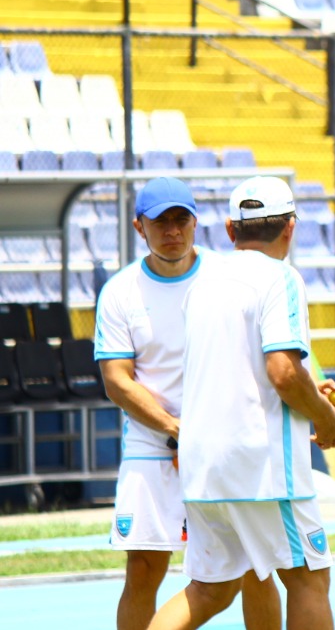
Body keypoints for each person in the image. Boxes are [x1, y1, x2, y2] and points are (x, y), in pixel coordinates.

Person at [147, 176, 335, 630]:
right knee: (309, 579)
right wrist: (326, 416)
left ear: (231, 230)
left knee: (209, 590)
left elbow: (241, 367)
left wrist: (314, 390)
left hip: (202, 462)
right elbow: (280, 371)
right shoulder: (281, 277)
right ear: (291, 228)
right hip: (261, 467)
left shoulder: (202, 283)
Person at [95, 176, 281, 630]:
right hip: (152, 445)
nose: (172, 231)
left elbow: (271, 349)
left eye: (182, 220)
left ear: (197, 224)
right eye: (161, 222)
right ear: (140, 227)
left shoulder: (227, 276)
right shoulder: (120, 292)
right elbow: (118, 381)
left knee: (257, 569)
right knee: (143, 569)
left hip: (224, 446)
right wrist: (177, 428)